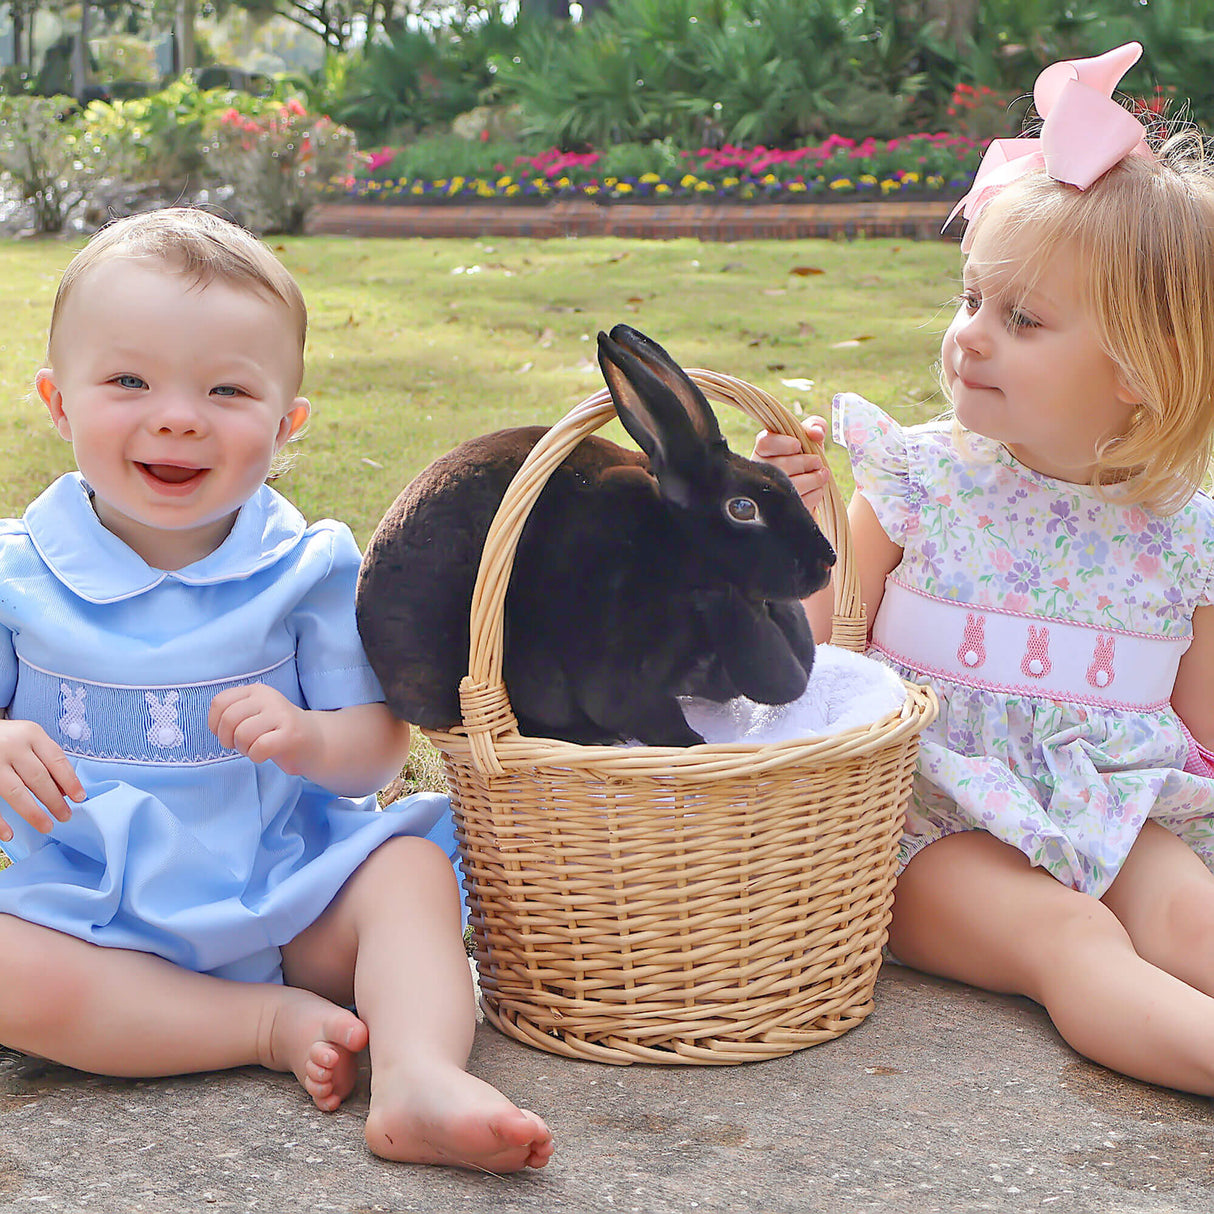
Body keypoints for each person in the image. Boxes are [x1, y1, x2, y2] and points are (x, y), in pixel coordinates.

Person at [0, 207, 553, 1171]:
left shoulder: (304, 568)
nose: (177, 415)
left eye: (227, 389)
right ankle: (256, 1025)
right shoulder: (20, 572)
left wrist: (307, 738)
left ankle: (420, 1074)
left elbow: (378, 747)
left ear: (287, 422)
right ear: (56, 402)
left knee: (409, 875)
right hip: (88, 910)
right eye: (128, 380)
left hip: (285, 888)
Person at [755, 43, 1214, 1094]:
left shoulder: (1178, 532)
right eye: (970, 298)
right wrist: (802, 526)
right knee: (1067, 937)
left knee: (1184, 906)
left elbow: (1195, 728)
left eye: (1020, 319)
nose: (968, 339)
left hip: (1110, 802)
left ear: (1137, 373)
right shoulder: (922, 479)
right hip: (925, 825)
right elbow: (821, 656)